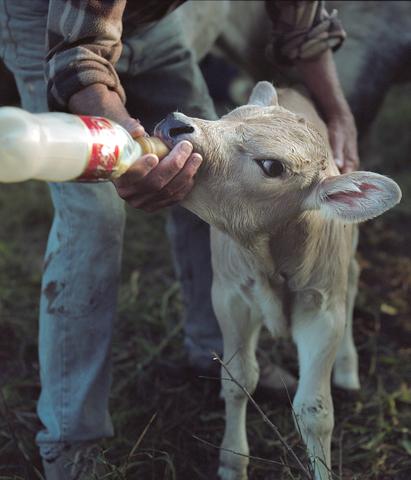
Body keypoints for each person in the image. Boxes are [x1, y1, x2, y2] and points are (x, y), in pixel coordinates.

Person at [0, 1, 359, 478]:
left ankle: (218, 352)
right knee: (94, 216)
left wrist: (338, 112)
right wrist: (128, 144)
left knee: (211, 174)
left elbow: (300, 14)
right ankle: (72, 436)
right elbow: (78, 51)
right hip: (51, 28)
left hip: (155, 24)